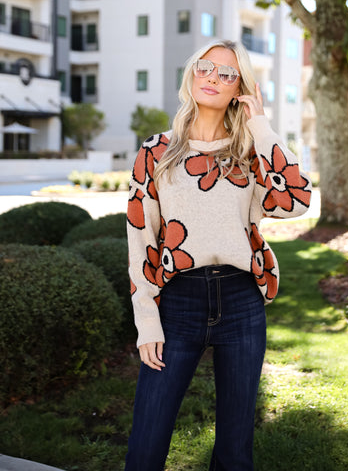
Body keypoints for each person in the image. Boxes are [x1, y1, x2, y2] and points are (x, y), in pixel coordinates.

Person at [125, 39, 312, 470]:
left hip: (241, 302)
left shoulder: (250, 153)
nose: (213, 78)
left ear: (239, 88)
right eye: (205, 67)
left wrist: (261, 125)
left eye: (227, 73)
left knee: (234, 449)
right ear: (192, 74)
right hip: (176, 302)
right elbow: (140, 238)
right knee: (147, 442)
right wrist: (146, 318)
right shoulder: (156, 151)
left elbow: (298, 199)